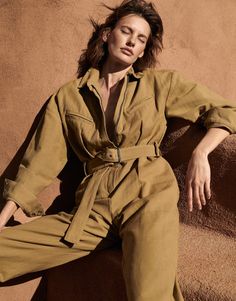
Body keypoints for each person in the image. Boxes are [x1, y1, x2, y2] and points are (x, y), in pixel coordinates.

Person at [0, 0, 235, 300]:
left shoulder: (160, 84)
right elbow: (38, 161)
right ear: (106, 34)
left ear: (142, 51)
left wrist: (201, 153)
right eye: (127, 31)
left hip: (147, 192)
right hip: (92, 204)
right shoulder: (69, 97)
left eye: (141, 40)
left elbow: (225, 110)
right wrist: (4, 216)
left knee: (147, 292)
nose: (131, 42)